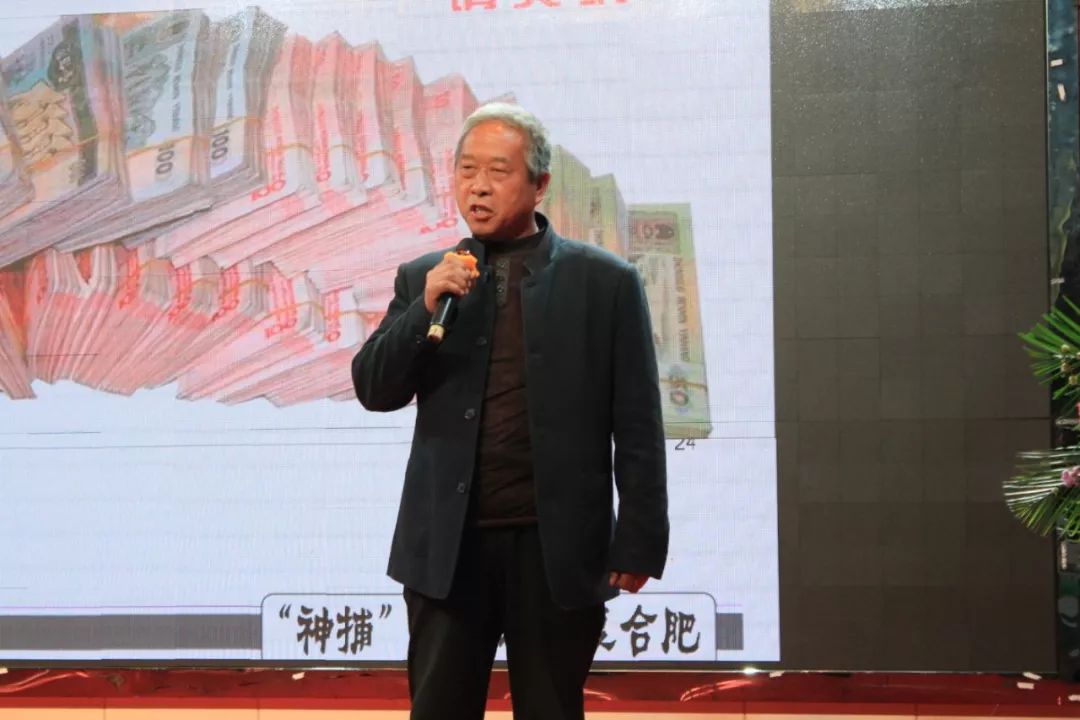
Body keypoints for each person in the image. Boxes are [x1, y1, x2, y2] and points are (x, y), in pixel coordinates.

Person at [351, 103, 669, 720]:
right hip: (449, 550)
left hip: (555, 550)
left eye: (497, 172)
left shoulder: (604, 283)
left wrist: (639, 538)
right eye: (466, 170)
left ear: (539, 184)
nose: (478, 186)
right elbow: (374, 387)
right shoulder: (425, 277)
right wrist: (423, 308)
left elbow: (638, 424)